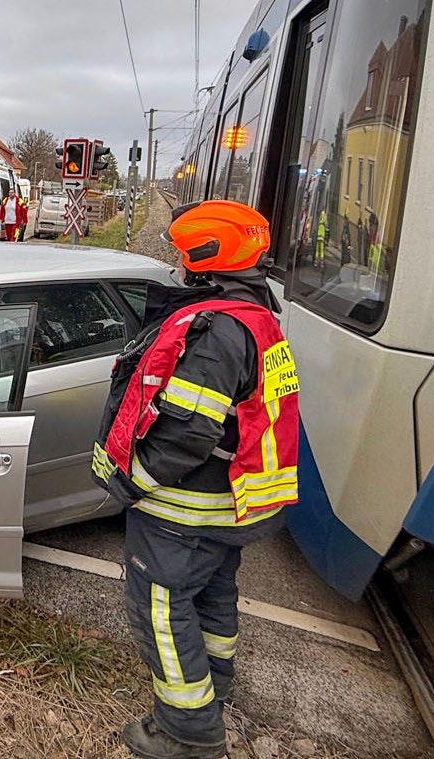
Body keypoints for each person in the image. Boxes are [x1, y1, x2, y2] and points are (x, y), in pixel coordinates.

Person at [89, 199, 299, 759]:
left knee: (160, 607)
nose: (180, 266)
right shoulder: (257, 318)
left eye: (184, 254)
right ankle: (214, 692)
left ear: (208, 256)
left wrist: (133, 480)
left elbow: (186, 433)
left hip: (182, 511)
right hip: (226, 507)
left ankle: (187, 732)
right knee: (212, 597)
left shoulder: (218, 331)